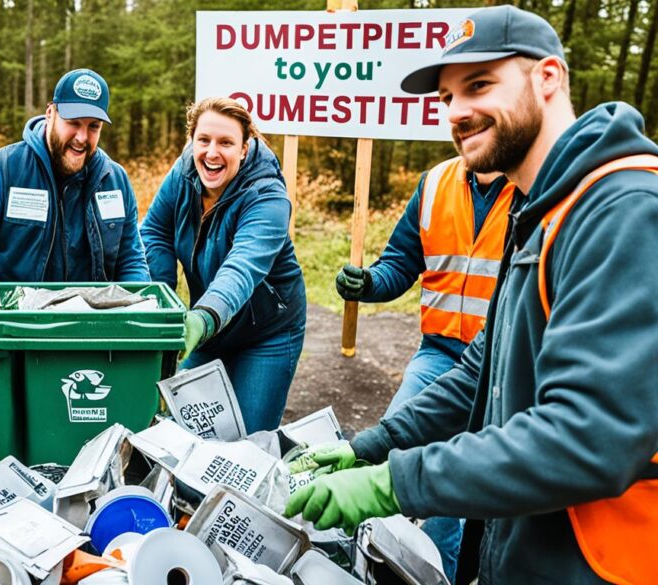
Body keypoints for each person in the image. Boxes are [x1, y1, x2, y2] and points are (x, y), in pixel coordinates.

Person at [285, 6, 658, 583]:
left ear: (549, 78)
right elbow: (484, 366)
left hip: (600, 562)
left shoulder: (622, 210)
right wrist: (375, 446)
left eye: (479, 85)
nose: (457, 112)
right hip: (531, 549)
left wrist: (396, 482)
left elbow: (591, 435)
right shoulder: (543, 206)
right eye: (446, 98)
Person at [332, 160, 514, 581]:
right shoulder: (435, 183)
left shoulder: (533, 186)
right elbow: (401, 261)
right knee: (388, 448)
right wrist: (371, 282)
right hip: (439, 351)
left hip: (503, 363)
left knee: (448, 508)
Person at [139, 97, 307, 433]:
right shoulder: (183, 173)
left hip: (266, 334)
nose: (212, 153)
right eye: (204, 140)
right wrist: (161, 300)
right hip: (211, 330)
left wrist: (202, 318)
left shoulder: (268, 197)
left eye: (226, 143)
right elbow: (156, 230)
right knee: (184, 428)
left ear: (245, 149)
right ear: (191, 141)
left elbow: (241, 268)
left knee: (246, 441)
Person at [0, 69, 150, 285]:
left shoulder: (115, 181)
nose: (82, 137)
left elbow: (131, 260)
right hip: (15, 315)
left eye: (93, 126)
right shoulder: (5, 168)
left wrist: (141, 300)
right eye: (74, 122)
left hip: (90, 315)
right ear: (50, 114)